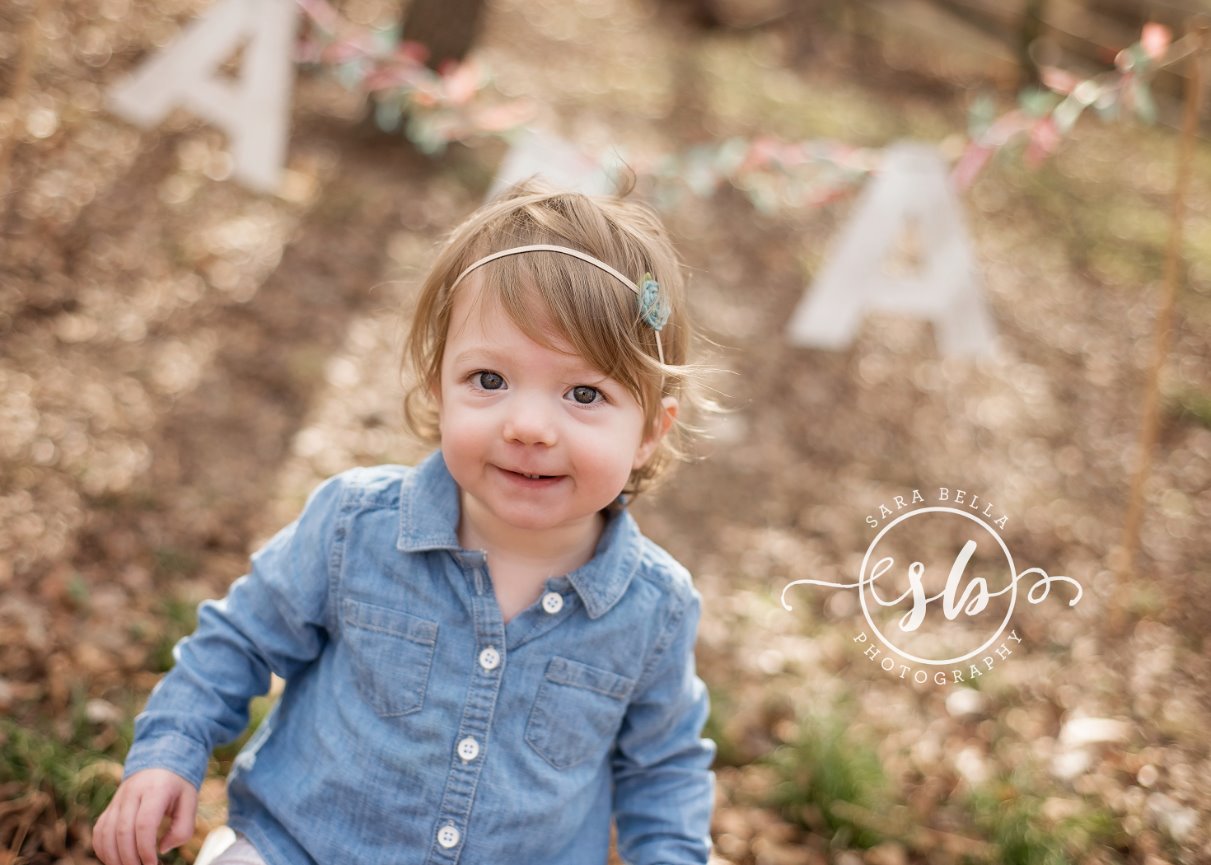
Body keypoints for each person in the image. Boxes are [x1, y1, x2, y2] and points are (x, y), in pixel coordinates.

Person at [92, 181, 717, 865]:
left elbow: (663, 768)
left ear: (651, 431)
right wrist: (169, 753)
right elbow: (237, 641)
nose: (529, 426)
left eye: (583, 392)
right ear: (436, 385)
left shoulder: (653, 607)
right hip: (302, 845)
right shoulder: (356, 525)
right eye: (488, 379)